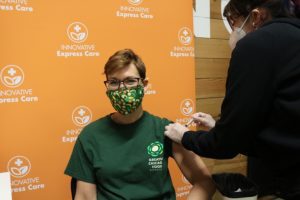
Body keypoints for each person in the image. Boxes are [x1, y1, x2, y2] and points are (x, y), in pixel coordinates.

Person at [164, 0, 300, 199]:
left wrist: (185, 136)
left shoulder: (256, 45)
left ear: (256, 16)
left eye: (234, 23)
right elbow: (281, 126)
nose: (233, 31)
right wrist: (220, 127)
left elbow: (225, 147)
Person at [65, 49, 215, 200]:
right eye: (114, 82)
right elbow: (84, 196)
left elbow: (204, 181)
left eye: (130, 81)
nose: (122, 89)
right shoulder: (90, 136)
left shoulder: (166, 130)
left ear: (144, 85)